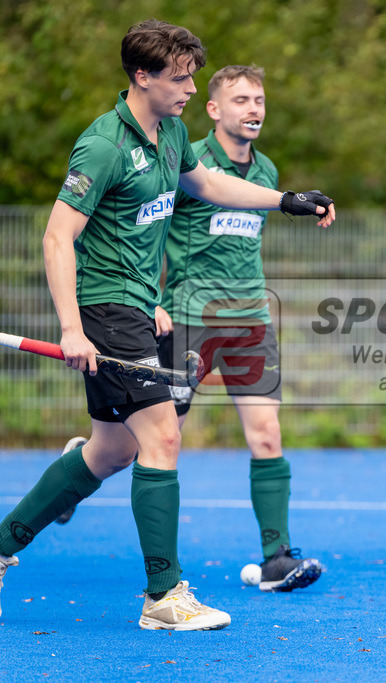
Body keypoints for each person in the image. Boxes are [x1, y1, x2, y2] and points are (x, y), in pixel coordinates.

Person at [0, 20, 334, 630]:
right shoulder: (103, 146)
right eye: (179, 79)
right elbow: (56, 237)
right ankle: (162, 597)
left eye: (192, 77)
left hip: (135, 305)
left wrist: (286, 200)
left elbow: (205, 184)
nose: (188, 89)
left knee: (109, 453)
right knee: (163, 439)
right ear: (142, 76)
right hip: (105, 307)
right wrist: (72, 328)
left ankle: (1, 543)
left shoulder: (173, 132)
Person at [152, 64, 325, 591]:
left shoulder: (267, 172)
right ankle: (84, 465)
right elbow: (151, 230)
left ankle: (277, 559)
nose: (254, 109)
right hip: (188, 319)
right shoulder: (187, 160)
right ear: (213, 109)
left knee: (267, 434)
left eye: (260, 100)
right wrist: (151, 299)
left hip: (250, 320)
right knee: (157, 441)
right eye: (242, 100)